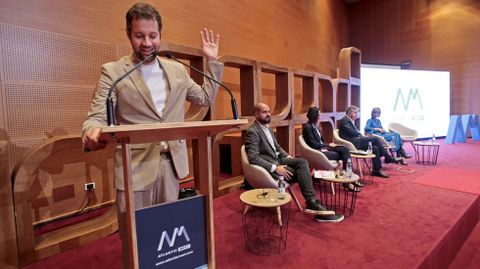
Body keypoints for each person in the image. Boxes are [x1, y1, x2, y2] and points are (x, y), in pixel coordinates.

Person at [81, 3, 223, 266]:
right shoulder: (113, 72)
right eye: (139, 36)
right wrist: (91, 131)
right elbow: (96, 116)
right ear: (128, 33)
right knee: (137, 240)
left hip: (171, 167)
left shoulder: (177, 70)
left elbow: (204, 97)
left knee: (168, 235)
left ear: (160, 33)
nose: (147, 42)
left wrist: (212, 62)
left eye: (152, 36)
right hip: (134, 168)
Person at [245, 103, 344, 223]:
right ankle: (312, 202)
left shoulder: (268, 129)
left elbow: (277, 147)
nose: (268, 114)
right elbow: (253, 157)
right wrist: (275, 168)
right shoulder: (252, 132)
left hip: (279, 160)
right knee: (301, 172)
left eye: (269, 111)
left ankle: (312, 201)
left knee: (302, 162)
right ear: (256, 114)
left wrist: (288, 156)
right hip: (269, 166)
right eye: (264, 112)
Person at [302, 106, 362, 191]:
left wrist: (329, 145)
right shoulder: (307, 127)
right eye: (319, 115)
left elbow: (320, 141)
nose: (320, 117)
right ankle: (348, 180)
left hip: (323, 149)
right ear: (314, 116)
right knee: (342, 153)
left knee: (344, 149)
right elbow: (313, 144)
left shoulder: (316, 126)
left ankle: (348, 176)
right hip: (317, 152)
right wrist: (328, 145)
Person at [338, 106, 404, 179]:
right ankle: (388, 157)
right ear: (350, 113)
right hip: (352, 143)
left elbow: (355, 132)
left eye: (357, 113)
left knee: (375, 148)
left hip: (357, 140)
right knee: (375, 139)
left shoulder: (351, 120)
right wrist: (361, 135)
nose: (357, 115)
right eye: (355, 113)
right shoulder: (344, 121)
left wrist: (361, 135)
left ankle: (376, 170)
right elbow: (352, 132)